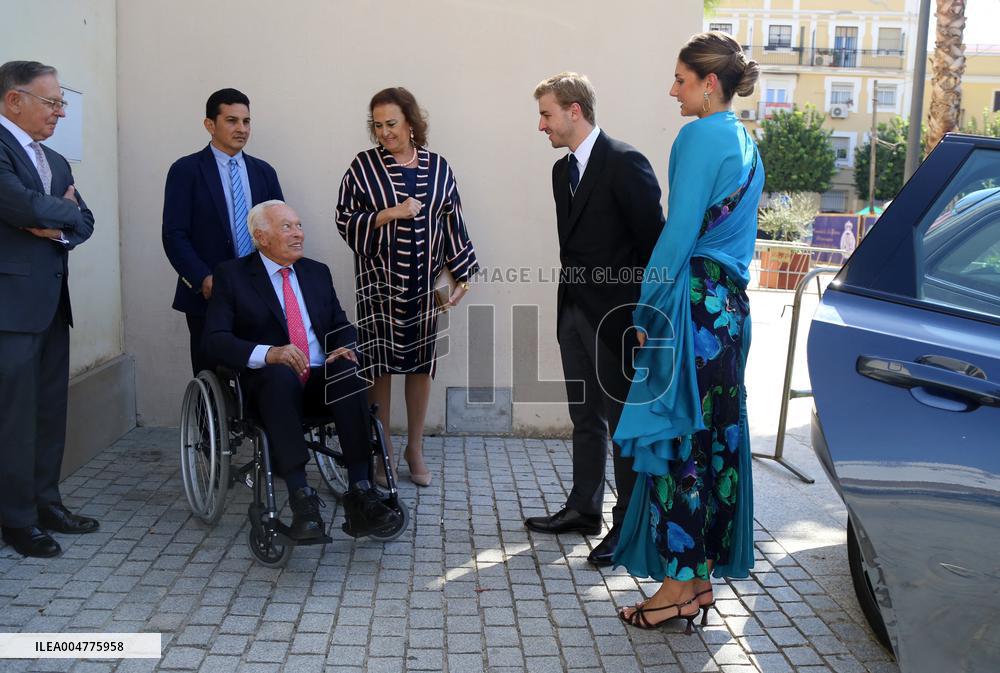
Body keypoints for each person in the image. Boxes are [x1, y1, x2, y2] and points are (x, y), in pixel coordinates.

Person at [613, 32, 764, 630]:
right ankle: (698, 579)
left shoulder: (698, 135)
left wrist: (646, 310)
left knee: (677, 442)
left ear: (709, 84)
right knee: (712, 442)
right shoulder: (747, 142)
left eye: (680, 79)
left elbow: (677, 235)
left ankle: (677, 584)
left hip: (691, 307)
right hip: (729, 310)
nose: (672, 90)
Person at [524, 72, 665, 567]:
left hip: (618, 317)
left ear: (574, 111)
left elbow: (655, 244)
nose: (541, 125)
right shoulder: (561, 172)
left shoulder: (625, 163)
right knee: (585, 417)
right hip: (573, 312)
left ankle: (627, 523)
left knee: (622, 423)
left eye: (546, 114)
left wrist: (646, 313)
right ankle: (584, 509)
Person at [203, 200, 401, 541]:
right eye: (287, 227)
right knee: (280, 376)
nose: (298, 234)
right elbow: (215, 340)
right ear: (261, 237)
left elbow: (341, 325)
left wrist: (345, 346)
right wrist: (270, 353)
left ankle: (362, 491)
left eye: (298, 226)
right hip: (269, 385)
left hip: (318, 380)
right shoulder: (232, 276)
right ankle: (301, 497)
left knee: (348, 372)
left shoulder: (315, 272)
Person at [335, 87, 479, 488]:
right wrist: (389, 214)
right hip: (378, 285)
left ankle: (414, 447)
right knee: (378, 365)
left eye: (392, 124)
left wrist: (462, 276)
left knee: (420, 364)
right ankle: (381, 449)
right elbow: (345, 219)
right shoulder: (363, 168)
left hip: (424, 286)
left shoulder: (438, 168)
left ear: (412, 123)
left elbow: (453, 223)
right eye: (377, 125)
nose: (384, 133)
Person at [0, 60, 98, 558]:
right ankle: (16, 520)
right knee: (14, 418)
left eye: (62, 103)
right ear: (14, 99)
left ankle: (46, 502)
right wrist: (57, 212)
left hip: (52, 305)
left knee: (48, 412)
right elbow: (19, 206)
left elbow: (87, 220)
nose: (60, 111)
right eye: (52, 102)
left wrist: (55, 219)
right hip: (10, 309)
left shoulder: (55, 159)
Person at [163, 88, 284, 375]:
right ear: (210, 124)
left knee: (263, 375)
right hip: (209, 294)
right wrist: (202, 278)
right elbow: (174, 234)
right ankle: (211, 423)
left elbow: (280, 228)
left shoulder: (264, 172)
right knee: (212, 373)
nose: (241, 129)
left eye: (246, 121)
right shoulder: (186, 171)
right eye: (232, 120)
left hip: (259, 292)